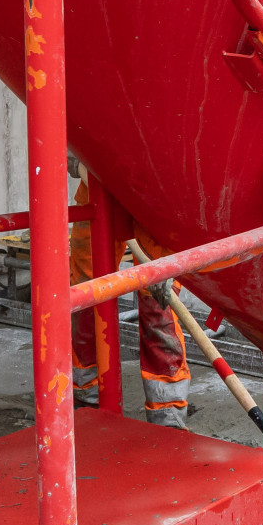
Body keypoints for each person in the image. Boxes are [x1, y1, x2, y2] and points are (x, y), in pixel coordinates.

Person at [68, 159, 191, 428]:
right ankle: (87, 398)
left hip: (157, 195)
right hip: (98, 187)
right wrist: (78, 160)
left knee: (158, 306)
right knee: (85, 297)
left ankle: (167, 415)